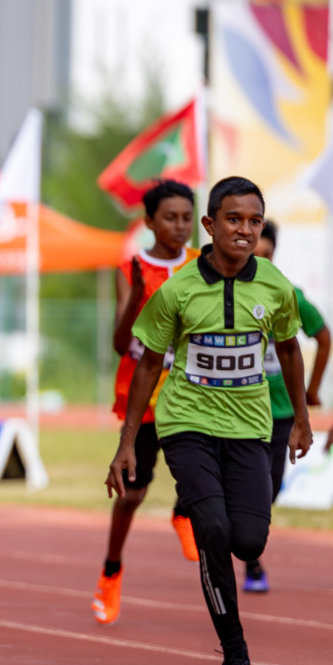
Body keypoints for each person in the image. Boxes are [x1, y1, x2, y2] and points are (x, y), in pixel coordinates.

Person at [108, 176, 312, 665]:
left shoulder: (275, 285)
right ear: (210, 225)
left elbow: (289, 349)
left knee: (248, 540)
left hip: (250, 427)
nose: (245, 230)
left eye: (254, 221)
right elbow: (149, 364)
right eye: (233, 220)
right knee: (214, 533)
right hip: (186, 423)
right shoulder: (177, 290)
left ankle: (213, 529)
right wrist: (128, 442)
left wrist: (302, 419)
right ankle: (235, 651)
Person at [93, 180, 200, 626]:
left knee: (203, 475)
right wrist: (137, 294)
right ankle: (111, 567)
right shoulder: (130, 268)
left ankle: (183, 512)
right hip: (145, 397)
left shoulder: (202, 264)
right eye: (170, 218)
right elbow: (121, 344)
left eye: (187, 218)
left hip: (195, 394)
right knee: (133, 492)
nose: (180, 226)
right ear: (150, 222)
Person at [242, 220, 330, 591]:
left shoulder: (288, 292)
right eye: (254, 254)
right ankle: (252, 559)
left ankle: (248, 540)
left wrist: (311, 391)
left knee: (270, 487)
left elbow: (323, 337)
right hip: (239, 408)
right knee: (244, 480)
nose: (261, 260)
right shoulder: (228, 293)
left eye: (267, 255)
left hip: (279, 411)